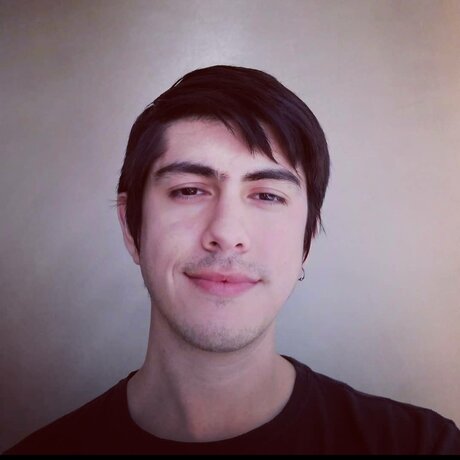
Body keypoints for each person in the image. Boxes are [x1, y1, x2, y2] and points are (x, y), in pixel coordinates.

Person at [4, 65, 460, 455]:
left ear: (307, 238)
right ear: (131, 227)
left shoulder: (422, 446)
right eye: (189, 190)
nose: (226, 233)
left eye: (267, 195)